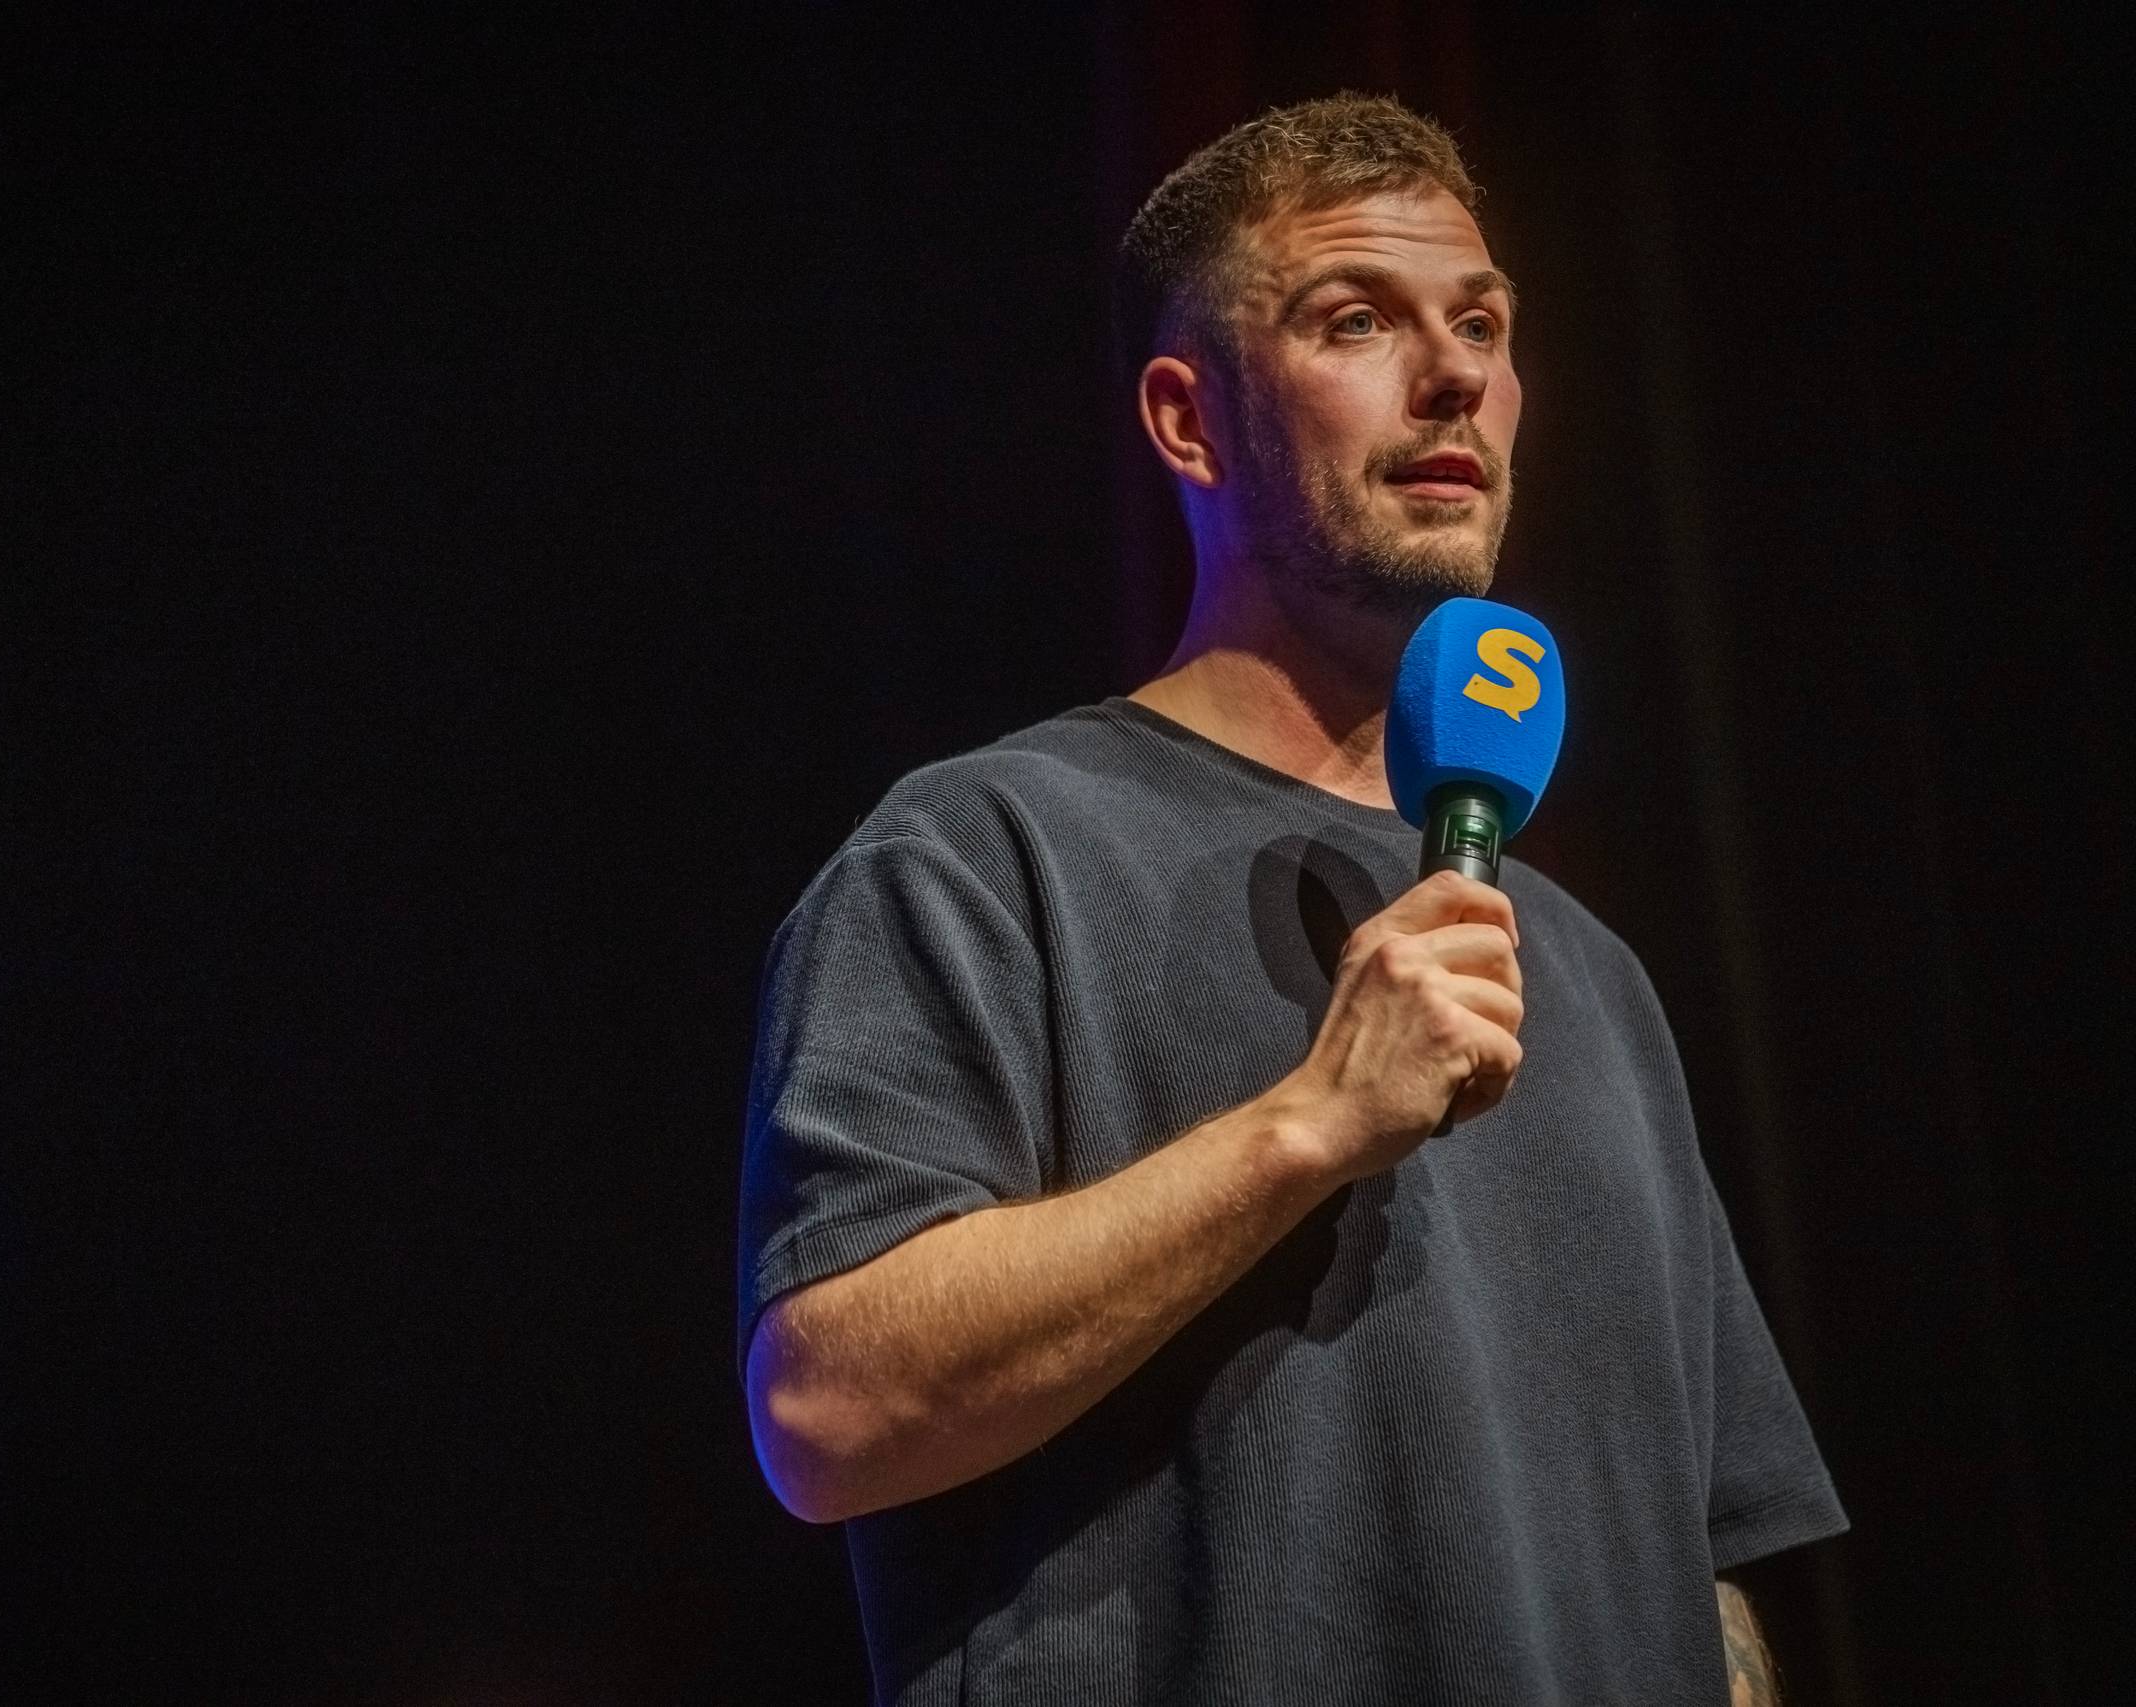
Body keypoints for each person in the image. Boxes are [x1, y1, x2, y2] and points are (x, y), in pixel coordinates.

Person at [735, 93, 1844, 1705]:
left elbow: (1704, 1551)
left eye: (1483, 323)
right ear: (1192, 425)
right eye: (1358, 319)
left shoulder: (1589, 974)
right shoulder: (984, 853)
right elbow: (827, 1415)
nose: (1456, 371)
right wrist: (1311, 1121)